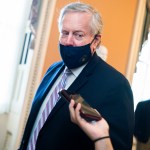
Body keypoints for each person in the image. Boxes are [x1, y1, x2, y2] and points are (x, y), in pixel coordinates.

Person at [19, 2, 134, 150]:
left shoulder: (116, 85)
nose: (68, 41)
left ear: (96, 41)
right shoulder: (52, 70)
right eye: (65, 33)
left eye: (78, 35)